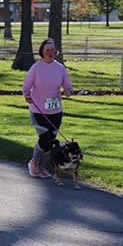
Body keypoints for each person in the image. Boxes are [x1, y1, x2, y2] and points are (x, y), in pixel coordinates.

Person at [22, 38, 73, 178]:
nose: (50, 52)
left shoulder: (60, 68)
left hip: (55, 111)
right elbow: (26, 86)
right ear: (42, 52)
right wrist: (26, 95)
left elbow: (68, 86)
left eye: (52, 50)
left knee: (52, 141)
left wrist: (68, 91)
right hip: (38, 109)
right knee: (45, 138)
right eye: (47, 50)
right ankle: (34, 162)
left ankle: (43, 167)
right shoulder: (36, 67)